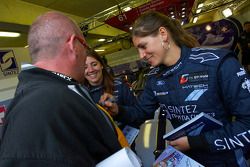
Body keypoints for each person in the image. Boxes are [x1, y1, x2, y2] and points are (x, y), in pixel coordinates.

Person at [100, 11, 250, 166]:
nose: (141, 55)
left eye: (143, 46)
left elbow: (247, 123)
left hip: (226, 159)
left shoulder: (218, 63)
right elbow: (141, 113)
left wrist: (195, 142)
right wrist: (117, 110)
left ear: (163, 34)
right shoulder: (153, 78)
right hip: (188, 160)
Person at [0, 11, 122, 167]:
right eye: (85, 46)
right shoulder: (46, 104)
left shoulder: (49, 95)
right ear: (73, 45)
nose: (86, 54)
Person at [83, 49, 136, 116]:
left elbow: (136, 112)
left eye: (94, 64)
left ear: (101, 65)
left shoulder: (119, 85)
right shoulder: (81, 94)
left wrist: (118, 110)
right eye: (85, 67)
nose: (91, 70)